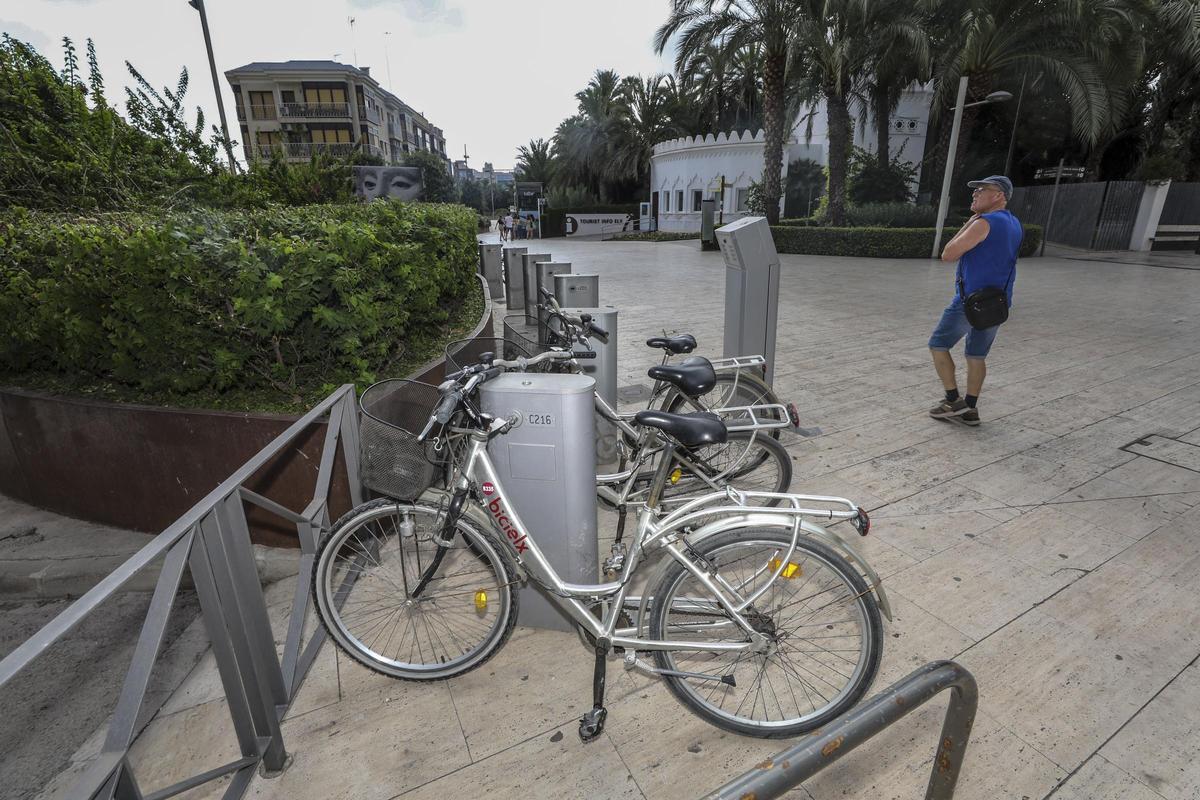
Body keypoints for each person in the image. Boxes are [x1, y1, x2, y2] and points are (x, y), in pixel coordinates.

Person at [927, 175, 1023, 427]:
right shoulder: (1014, 223)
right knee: (976, 355)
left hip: (970, 301)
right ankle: (970, 409)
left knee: (937, 344)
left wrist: (969, 223)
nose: (975, 193)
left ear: (999, 195)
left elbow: (948, 254)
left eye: (982, 190)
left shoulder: (984, 222)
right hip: (998, 302)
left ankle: (952, 401)